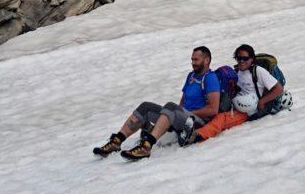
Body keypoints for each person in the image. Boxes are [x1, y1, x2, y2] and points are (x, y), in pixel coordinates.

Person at [92, 46, 220, 161]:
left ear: (207, 60)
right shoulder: (191, 76)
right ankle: (116, 141)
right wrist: (174, 116)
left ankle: (146, 146)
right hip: (183, 117)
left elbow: (213, 110)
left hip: (196, 123)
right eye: (192, 59)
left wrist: (183, 113)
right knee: (146, 107)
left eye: (196, 60)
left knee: (170, 107)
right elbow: (183, 101)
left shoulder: (210, 78)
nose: (192, 63)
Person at [179, 43, 284, 146]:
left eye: (245, 58)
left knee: (221, 119)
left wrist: (262, 101)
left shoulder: (259, 71)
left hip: (247, 110)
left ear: (252, 59)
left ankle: (197, 136)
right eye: (239, 58)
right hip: (234, 103)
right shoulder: (236, 71)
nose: (241, 61)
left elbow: (278, 88)